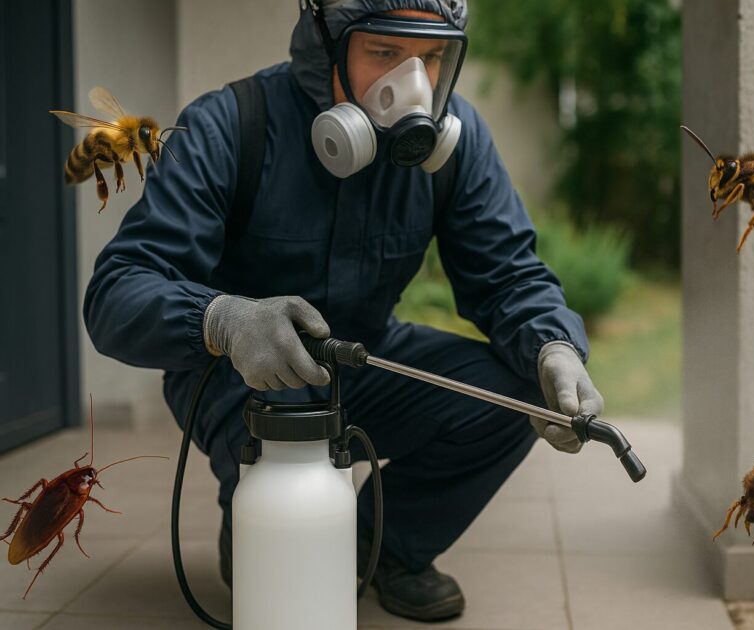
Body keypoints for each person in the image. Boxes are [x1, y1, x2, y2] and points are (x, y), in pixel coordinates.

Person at [84, 0, 604, 622]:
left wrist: (555, 347)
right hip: (238, 375)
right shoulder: (228, 126)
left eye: (432, 57)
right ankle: (271, 525)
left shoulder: (454, 142)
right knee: (288, 507)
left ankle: (383, 548)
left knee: (514, 390)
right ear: (326, 41)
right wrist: (223, 319)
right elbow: (116, 293)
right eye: (384, 53)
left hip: (365, 355)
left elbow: (509, 275)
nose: (413, 83)